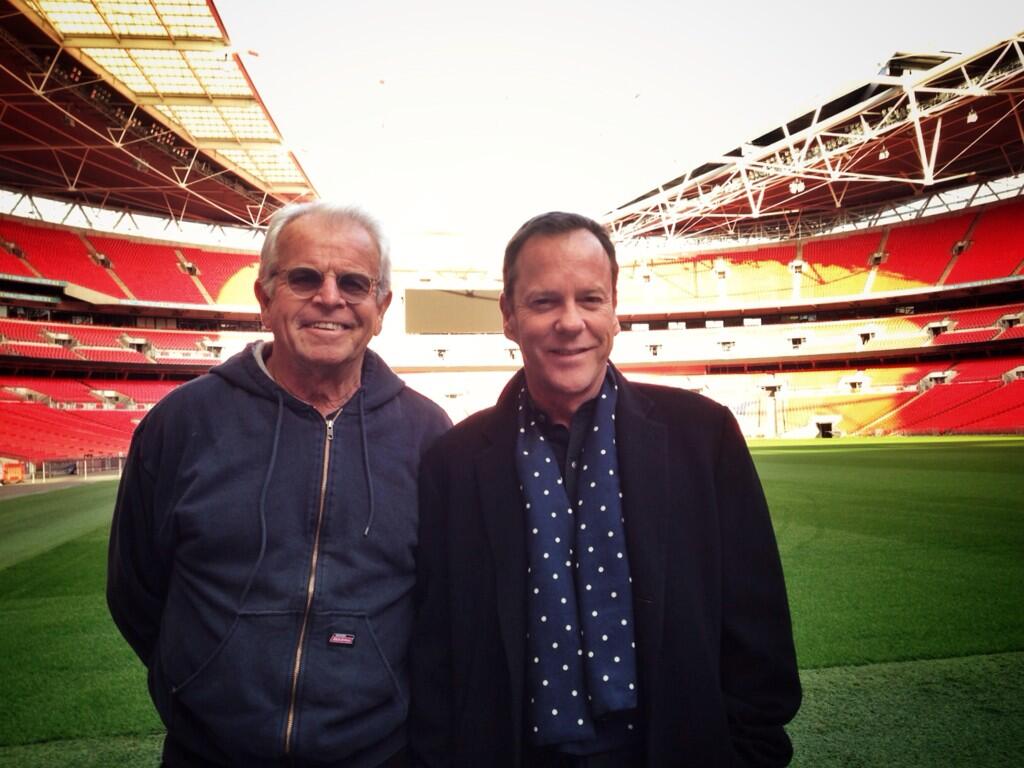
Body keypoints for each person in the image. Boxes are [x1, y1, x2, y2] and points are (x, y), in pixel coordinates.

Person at [410, 212, 800, 767]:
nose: (571, 322)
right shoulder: (454, 461)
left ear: (614, 309)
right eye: (544, 302)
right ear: (509, 316)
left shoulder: (702, 435)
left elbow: (756, 625)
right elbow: (436, 652)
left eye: (590, 299)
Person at [108, 202, 451, 767]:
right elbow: (135, 590)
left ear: (381, 306)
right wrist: (201, 676)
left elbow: (439, 606)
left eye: (355, 283)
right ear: (265, 298)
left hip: (377, 756)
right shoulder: (183, 423)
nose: (330, 297)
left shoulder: (427, 433)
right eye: (304, 278)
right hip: (208, 755)